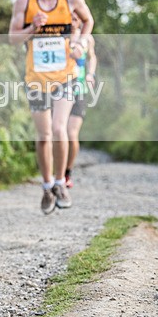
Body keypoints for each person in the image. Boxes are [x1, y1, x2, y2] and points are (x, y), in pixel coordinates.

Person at [8, 0, 93, 214]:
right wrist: (32, 27)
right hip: (36, 79)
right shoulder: (24, 3)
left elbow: (88, 21)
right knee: (44, 135)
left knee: (60, 130)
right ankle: (46, 187)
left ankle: (60, 183)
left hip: (65, 76)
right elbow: (12, 38)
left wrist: (79, 42)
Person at [65, 12, 97, 188]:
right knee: (58, 132)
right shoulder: (60, 37)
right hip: (60, 89)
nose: (73, 22)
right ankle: (58, 170)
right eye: (70, 18)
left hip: (79, 90)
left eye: (76, 19)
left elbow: (92, 57)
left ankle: (67, 172)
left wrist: (90, 74)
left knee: (71, 134)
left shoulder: (87, 39)